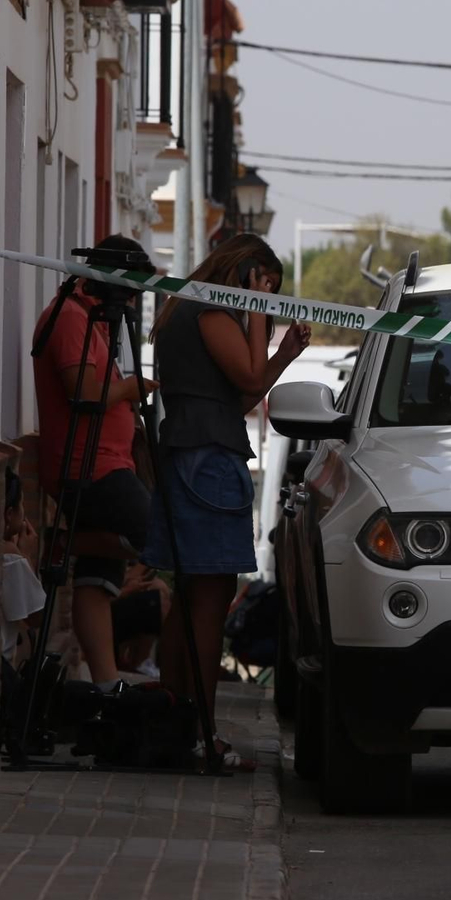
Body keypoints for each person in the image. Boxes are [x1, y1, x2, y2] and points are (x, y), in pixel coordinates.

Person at [147, 234, 310, 769]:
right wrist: (260, 313)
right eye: (264, 285)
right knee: (209, 603)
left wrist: (282, 355)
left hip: (191, 456)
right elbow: (244, 376)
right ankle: (202, 735)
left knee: (190, 596)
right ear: (246, 274)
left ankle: (175, 727)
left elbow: (239, 395)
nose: (265, 297)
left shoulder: (188, 305)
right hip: (206, 463)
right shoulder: (212, 307)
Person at [31, 235, 156, 695]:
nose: (135, 303)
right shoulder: (68, 319)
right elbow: (84, 393)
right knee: (159, 535)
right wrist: (134, 389)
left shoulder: (92, 322)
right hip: (91, 469)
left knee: (97, 578)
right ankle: (67, 539)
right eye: (133, 292)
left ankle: (105, 686)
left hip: (106, 462)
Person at [0, 468, 44, 752]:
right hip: (1, 673)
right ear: (10, 514)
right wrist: (28, 556)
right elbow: (36, 615)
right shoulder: (11, 559)